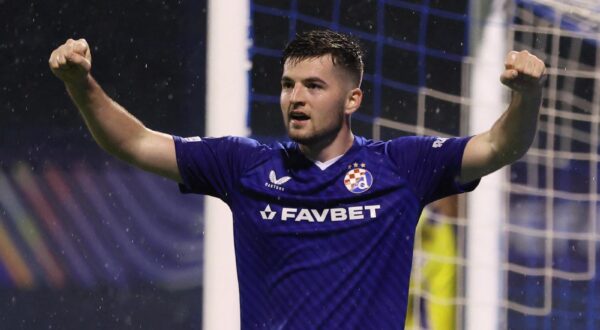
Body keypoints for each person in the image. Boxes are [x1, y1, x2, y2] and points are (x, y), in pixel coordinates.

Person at [49, 30, 545, 328]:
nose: (295, 98)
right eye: (288, 85)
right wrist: (80, 84)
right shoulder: (244, 166)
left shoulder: (403, 166)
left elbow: (501, 146)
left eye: (313, 86)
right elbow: (133, 143)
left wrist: (526, 97)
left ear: (352, 100)